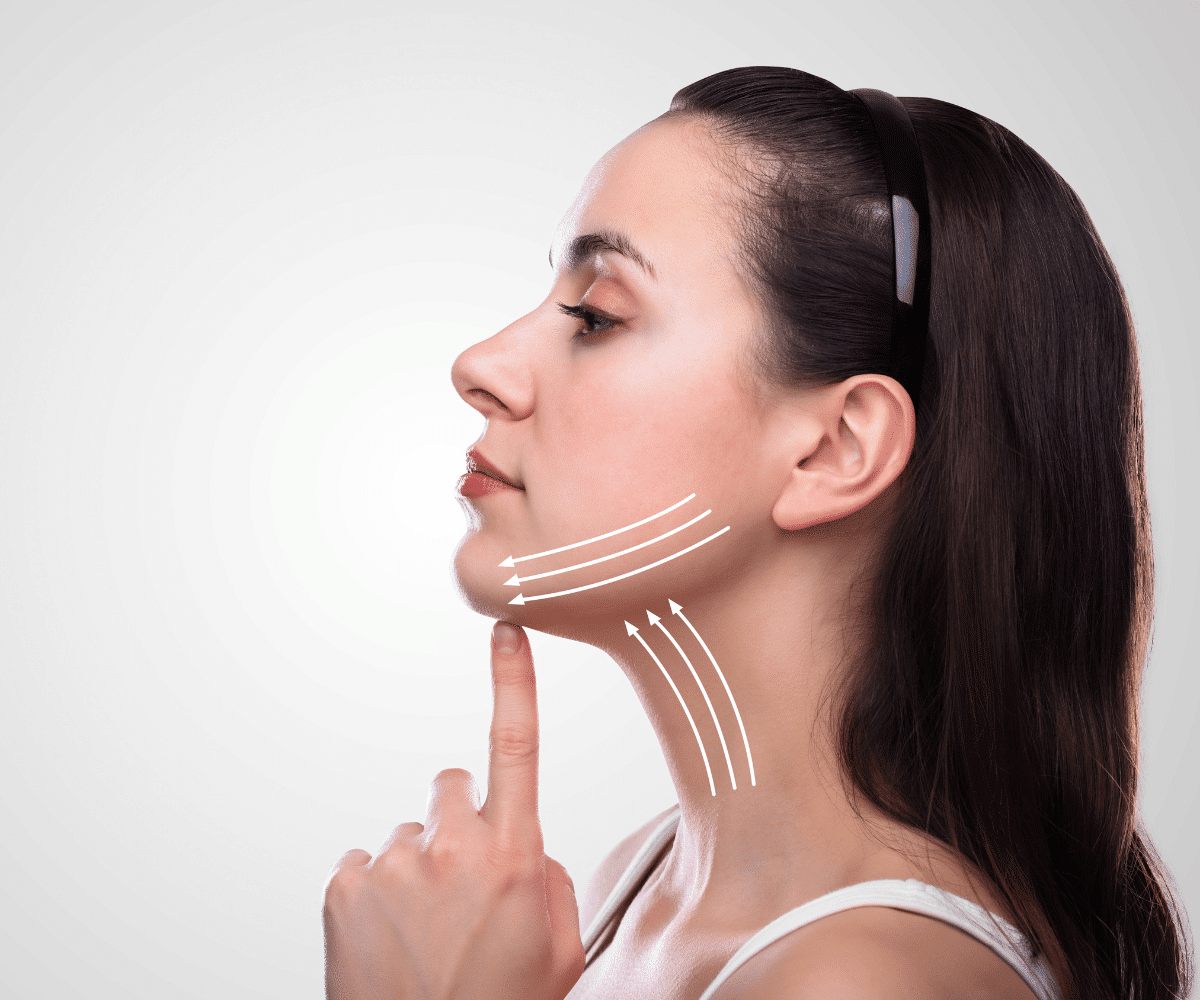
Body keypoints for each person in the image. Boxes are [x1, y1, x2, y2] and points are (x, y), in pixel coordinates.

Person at [321, 66, 1193, 1000]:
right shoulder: (631, 885)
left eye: (596, 315)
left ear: (833, 448)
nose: (482, 364)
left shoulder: (862, 983)